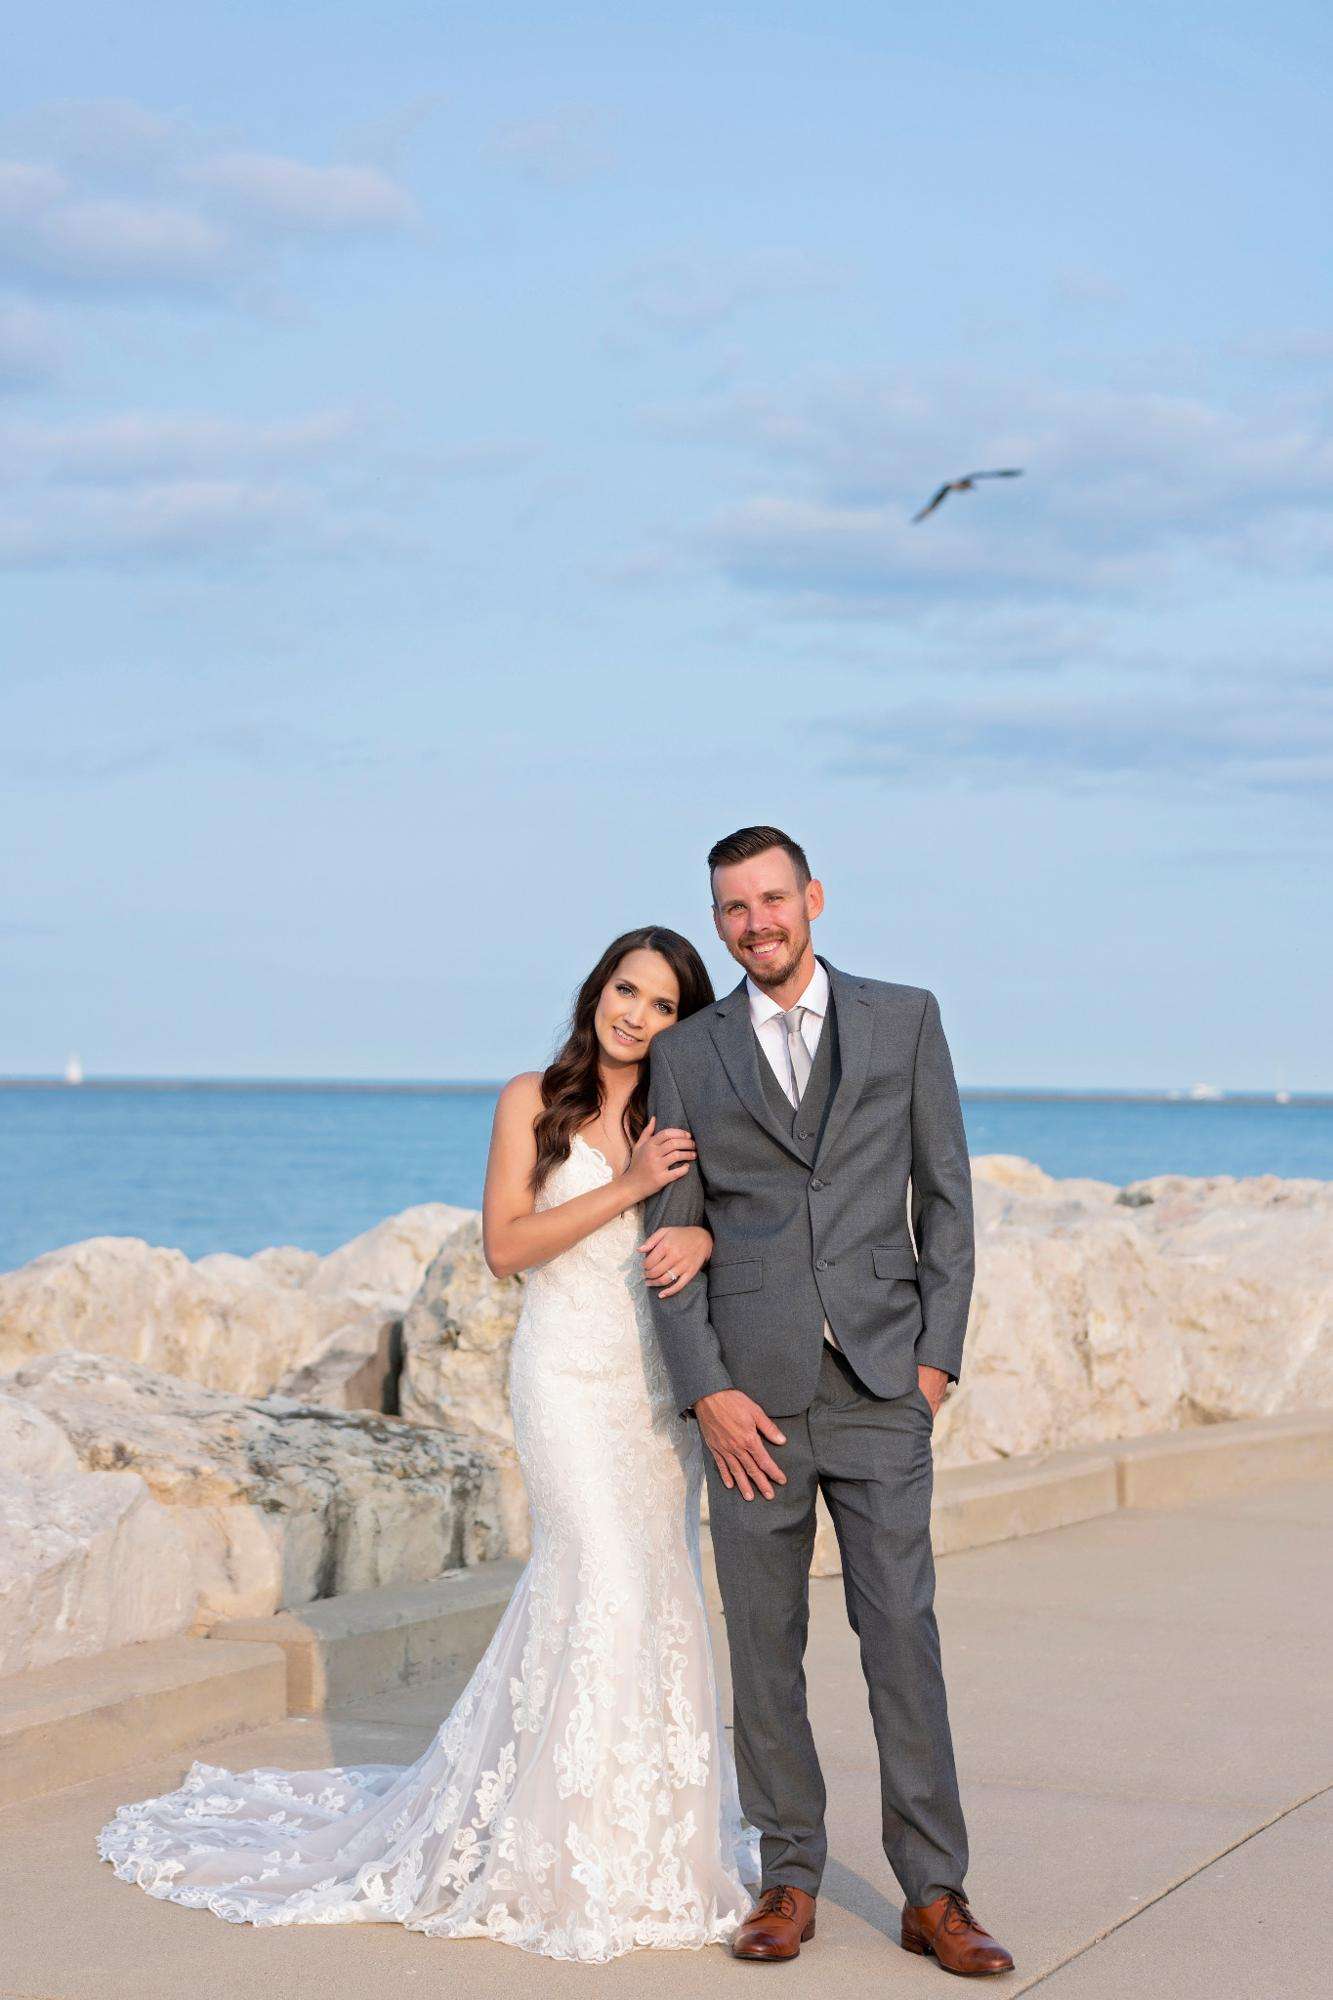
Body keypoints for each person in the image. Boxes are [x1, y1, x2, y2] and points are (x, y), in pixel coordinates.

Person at [97, 925, 760, 1963]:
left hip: (654, 1391)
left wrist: (703, 1230)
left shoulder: (684, 1111)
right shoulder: (530, 1097)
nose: (635, 1012)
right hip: (567, 1379)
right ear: (597, 989)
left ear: (685, 1019)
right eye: (625, 989)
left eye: (663, 1003)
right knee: (600, 1584)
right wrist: (628, 1185)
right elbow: (506, 1247)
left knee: (661, 1593)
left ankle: (652, 1844)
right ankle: (560, 1847)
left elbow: (731, 1220)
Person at [644, 827, 1014, 1978]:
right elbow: (670, 1234)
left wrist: (933, 1364)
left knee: (902, 1633)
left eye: (770, 898)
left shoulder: (904, 1016)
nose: (754, 922)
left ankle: (934, 1889)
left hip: (879, 1382)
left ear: (812, 897)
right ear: (717, 922)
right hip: (750, 1401)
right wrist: (705, 1388)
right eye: (731, 908)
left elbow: (945, 1196)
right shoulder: (689, 1050)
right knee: (765, 1644)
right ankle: (788, 1872)